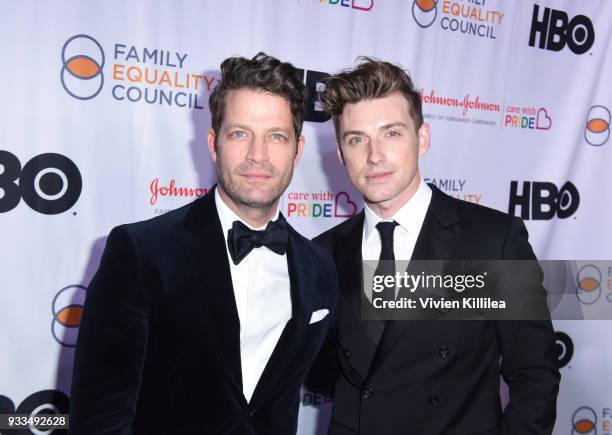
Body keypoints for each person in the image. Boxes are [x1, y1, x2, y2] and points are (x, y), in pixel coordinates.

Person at [69, 52, 339, 435]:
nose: (257, 155)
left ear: (297, 149)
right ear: (214, 143)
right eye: (239, 133)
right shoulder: (141, 251)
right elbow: (99, 420)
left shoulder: (319, 267)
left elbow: (340, 374)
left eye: (276, 136)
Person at [305, 58, 560, 435]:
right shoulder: (322, 252)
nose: (375, 155)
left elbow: (535, 373)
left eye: (391, 133)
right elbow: (322, 373)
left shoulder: (491, 239)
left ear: (421, 138)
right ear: (341, 154)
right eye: (357, 139)